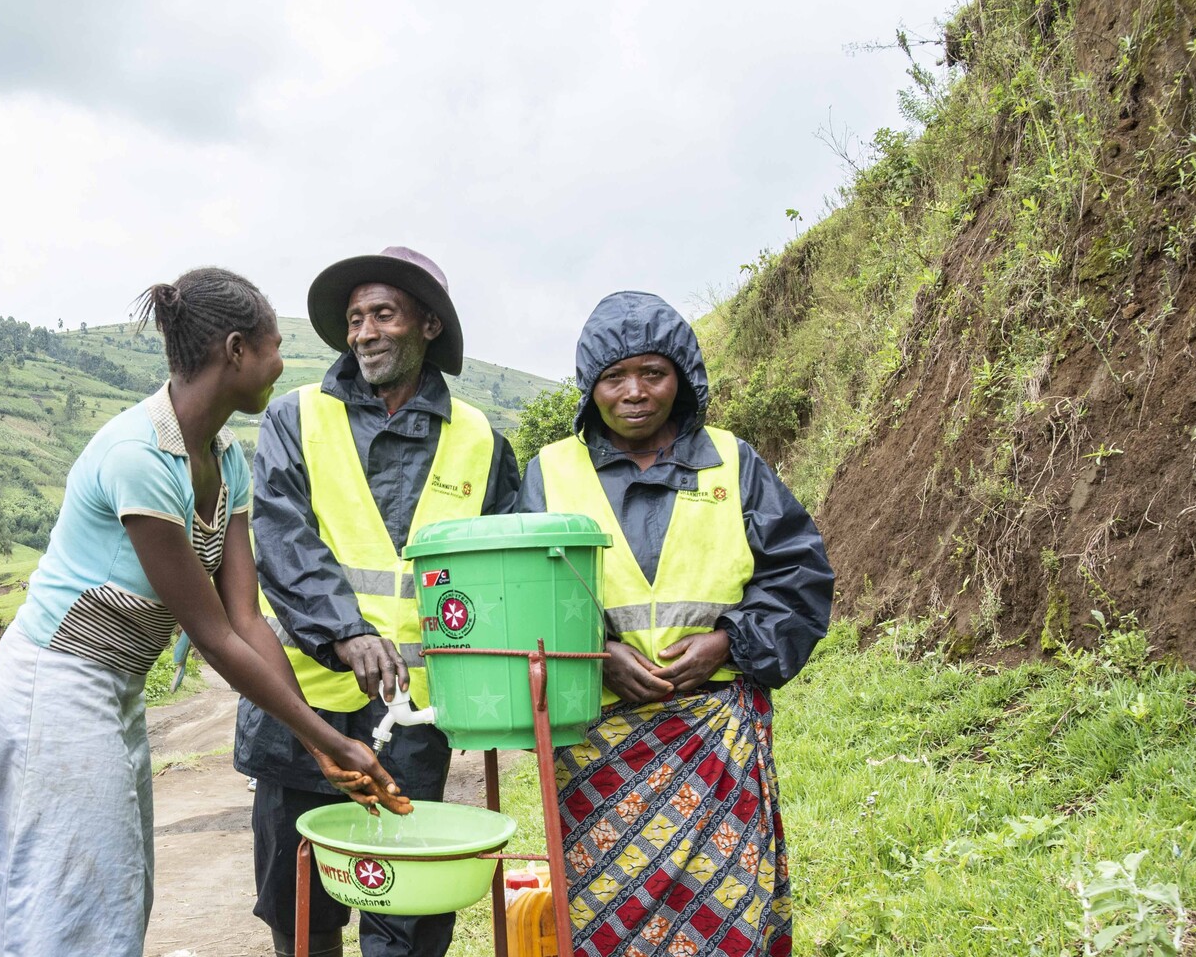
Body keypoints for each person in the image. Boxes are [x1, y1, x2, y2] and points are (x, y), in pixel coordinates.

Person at [0, 267, 409, 957]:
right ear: (235, 350)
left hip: (114, 689)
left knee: (116, 891)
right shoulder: (139, 457)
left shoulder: (225, 461)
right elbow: (216, 637)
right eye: (275, 346)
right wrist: (328, 737)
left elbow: (250, 621)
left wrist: (317, 737)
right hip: (52, 687)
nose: (283, 364)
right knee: (76, 901)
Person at [520, 292, 832, 957]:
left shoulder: (734, 463)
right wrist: (600, 654)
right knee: (608, 912)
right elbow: (521, 599)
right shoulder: (549, 474)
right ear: (590, 386)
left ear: (681, 376)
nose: (634, 392)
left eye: (652, 373)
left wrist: (730, 640)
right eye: (614, 377)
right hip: (597, 749)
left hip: (717, 737)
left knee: (726, 904)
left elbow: (798, 577)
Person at [235, 246, 522, 957]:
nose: (363, 331)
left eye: (383, 314)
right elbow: (281, 536)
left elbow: (503, 576)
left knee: (408, 911)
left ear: (427, 325)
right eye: (355, 317)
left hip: (416, 717)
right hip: (301, 708)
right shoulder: (295, 417)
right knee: (301, 908)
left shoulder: (482, 442)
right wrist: (345, 630)